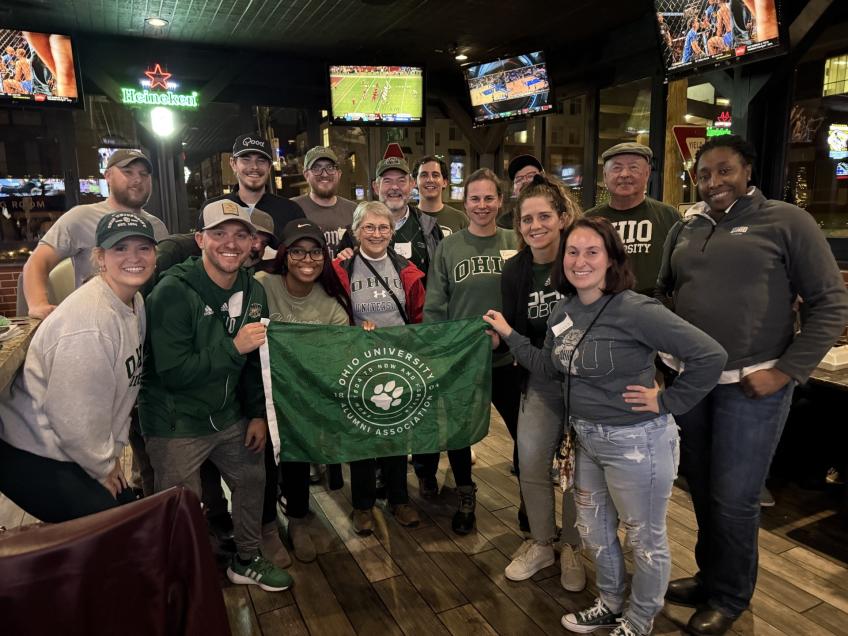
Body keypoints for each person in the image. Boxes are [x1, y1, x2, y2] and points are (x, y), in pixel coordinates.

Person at [484, 216, 726, 636]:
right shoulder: (565, 307)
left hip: (636, 443)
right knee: (594, 532)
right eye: (573, 252)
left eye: (592, 252)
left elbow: (710, 356)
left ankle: (639, 618)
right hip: (586, 440)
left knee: (644, 541)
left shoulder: (636, 309)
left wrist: (667, 400)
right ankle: (612, 603)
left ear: (612, 259)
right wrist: (509, 334)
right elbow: (548, 365)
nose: (580, 261)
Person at [656, 135, 848, 636]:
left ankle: (731, 595)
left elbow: (831, 304)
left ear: (748, 172)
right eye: (705, 174)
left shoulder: (787, 221)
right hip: (692, 382)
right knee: (698, 486)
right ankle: (709, 576)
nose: (714, 182)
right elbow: (664, 292)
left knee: (735, 496)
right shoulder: (686, 224)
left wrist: (785, 371)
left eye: (725, 171)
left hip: (752, 385)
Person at [140, 200, 292, 593]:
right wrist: (233, 347)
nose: (230, 243)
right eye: (219, 234)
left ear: (253, 243)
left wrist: (257, 414)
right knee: (180, 506)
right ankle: (181, 577)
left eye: (240, 235)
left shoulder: (254, 290)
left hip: (226, 415)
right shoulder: (172, 292)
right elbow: (172, 374)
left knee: (253, 475)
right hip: (175, 420)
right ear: (200, 239)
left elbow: (256, 361)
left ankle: (246, 559)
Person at [0, 212, 158, 522]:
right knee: (109, 525)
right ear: (100, 257)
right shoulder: (89, 322)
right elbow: (73, 416)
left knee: (126, 509)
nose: (134, 258)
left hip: (69, 442)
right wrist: (103, 466)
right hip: (29, 449)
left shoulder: (134, 302)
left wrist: (109, 455)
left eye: (143, 248)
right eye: (120, 248)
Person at [419, 168, 518, 535]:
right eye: (474, 198)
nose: (481, 205)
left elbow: (525, 299)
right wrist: (442, 350)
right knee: (460, 434)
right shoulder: (450, 246)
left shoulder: (515, 240)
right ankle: (465, 495)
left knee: (523, 433)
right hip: (463, 358)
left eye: (489, 198)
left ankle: (529, 500)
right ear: (465, 201)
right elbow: (436, 306)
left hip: (506, 357)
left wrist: (509, 338)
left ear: (500, 202)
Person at [499, 174, 586, 592]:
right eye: (526, 219)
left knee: (577, 470)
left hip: (586, 384)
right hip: (538, 378)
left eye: (544, 217)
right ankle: (541, 542)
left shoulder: (579, 259)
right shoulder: (515, 270)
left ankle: (572, 545)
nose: (535, 226)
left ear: (563, 217)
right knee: (531, 461)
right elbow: (515, 328)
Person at [256, 219, 353, 561]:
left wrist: (364, 337)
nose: (307, 259)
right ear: (285, 255)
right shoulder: (263, 285)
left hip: (302, 396)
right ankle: (266, 527)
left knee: (298, 447)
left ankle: (297, 516)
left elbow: (340, 352)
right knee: (261, 461)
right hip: (261, 392)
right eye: (298, 251)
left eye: (315, 252)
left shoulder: (330, 303)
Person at [332, 201, 425, 534]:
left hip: (396, 364)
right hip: (357, 365)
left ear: (392, 230)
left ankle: (399, 499)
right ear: (356, 231)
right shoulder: (340, 269)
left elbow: (417, 317)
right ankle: (362, 505)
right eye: (368, 227)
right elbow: (332, 314)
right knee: (361, 436)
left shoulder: (406, 270)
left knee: (395, 434)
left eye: (383, 227)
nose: (376, 233)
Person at [23, 148, 168, 320]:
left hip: (146, 321)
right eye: (127, 172)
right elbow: (39, 261)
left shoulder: (157, 226)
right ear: (107, 176)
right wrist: (38, 304)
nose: (137, 179)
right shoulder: (81, 217)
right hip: (95, 321)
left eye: (144, 174)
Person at [585, 142, 679, 295]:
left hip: (656, 309)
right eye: (617, 168)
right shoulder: (588, 220)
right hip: (603, 306)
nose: (624, 174)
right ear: (605, 175)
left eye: (633, 167)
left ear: (647, 173)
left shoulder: (669, 216)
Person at [204, 132, 305, 243]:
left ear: (269, 166)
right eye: (246, 160)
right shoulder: (212, 209)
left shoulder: (291, 211)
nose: (254, 167)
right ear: (233, 164)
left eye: (261, 161)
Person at [292, 146, 356, 257]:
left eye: (330, 167)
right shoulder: (291, 208)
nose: (325, 174)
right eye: (316, 168)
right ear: (306, 175)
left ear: (339, 174)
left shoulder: (354, 210)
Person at [413, 155, 468, 236]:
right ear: (415, 182)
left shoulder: (460, 219)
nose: (430, 180)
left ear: (444, 182)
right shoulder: (406, 218)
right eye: (424, 175)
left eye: (435, 175)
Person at [498, 154, 545, 229]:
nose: (525, 181)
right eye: (519, 179)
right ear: (514, 190)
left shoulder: (559, 210)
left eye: (531, 176)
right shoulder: (504, 223)